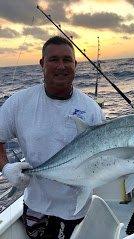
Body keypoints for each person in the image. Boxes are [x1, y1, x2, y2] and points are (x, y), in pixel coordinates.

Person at [0, 36, 105, 238]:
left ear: (75, 64)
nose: (61, 66)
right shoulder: (19, 103)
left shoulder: (91, 109)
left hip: (77, 207)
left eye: (67, 60)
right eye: (53, 59)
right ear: (42, 63)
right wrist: (5, 167)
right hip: (35, 205)